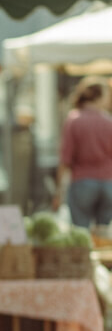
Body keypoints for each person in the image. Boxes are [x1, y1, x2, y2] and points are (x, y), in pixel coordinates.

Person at [57, 77, 112, 227]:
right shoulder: (109, 121)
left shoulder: (74, 119)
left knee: (81, 231)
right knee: (103, 232)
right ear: (99, 96)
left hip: (82, 182)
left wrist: (58, 191)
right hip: (108, 183)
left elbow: (65, 158)